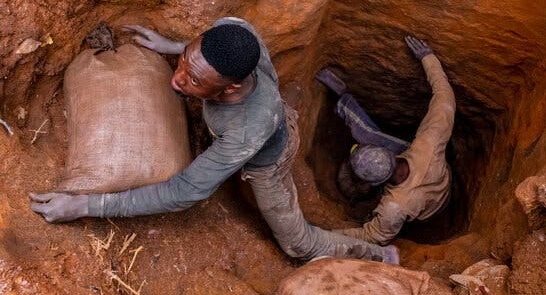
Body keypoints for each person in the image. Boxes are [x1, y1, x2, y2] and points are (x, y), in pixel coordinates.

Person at [29, 17, 399, 264]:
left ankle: (380, 255)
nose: (177, 80)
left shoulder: (244, 131)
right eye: (185, 64)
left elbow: (182, 192)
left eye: (193, 80)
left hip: (267, 159)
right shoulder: (235, 31)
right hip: (264, 118)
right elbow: (204, 48)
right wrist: (174, 46)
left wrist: (84, 207)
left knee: (298, 244)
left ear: (231, 86)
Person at [316, 36, 455, 245]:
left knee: (370, 139)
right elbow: (444, 98)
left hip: (430, 212)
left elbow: (372, 236)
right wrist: (428, 58)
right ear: (390, 154)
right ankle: (344, 100)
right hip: (430, 169)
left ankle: (345, 104)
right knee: (370, 135)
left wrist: (325, 235)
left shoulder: (393, 207)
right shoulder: (430, 142)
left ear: (374, 185)